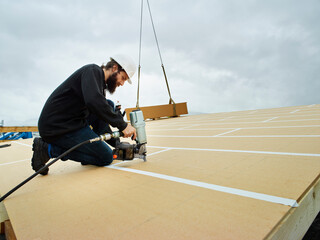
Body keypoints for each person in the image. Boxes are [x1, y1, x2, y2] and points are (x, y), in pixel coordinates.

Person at [32, 54, 137, 175]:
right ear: (114, 68)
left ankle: (87, 155)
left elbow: (100, 122)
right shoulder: (92, 71)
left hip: (73, 122)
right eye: (123, 78)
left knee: (107, 104)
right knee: (106, 157)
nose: (122, 83)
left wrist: (117, 144)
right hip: (56, 126)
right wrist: (123, 125)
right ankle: (47, 149)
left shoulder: (99, 87)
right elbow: (94, 101)